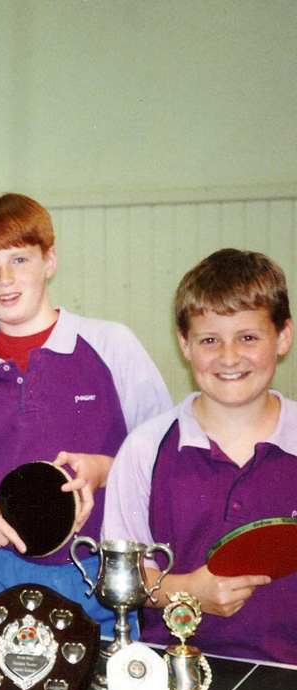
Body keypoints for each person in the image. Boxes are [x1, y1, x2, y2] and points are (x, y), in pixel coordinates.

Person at [0, 194, 171, 632]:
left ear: (50, 260)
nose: (5, 278)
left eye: (20, 260)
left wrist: (104, 469)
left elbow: (165, 460)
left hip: (100, 576)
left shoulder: (111, 345)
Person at [102, 249, 296, 663]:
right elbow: (123, 578)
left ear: (283, 337)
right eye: (210, 340)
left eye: (248, 337)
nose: (228, 357)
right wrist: (190, 590)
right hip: (170, 676)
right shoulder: (144, 449)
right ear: (184, 344)